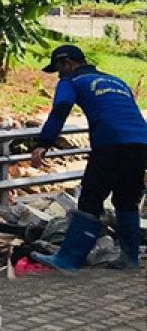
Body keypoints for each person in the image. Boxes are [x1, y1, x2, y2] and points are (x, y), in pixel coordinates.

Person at [30, 44, 147, 271]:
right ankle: (129, 258)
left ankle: (68, 260)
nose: (59, 74)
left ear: (66, 63)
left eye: (58, 68)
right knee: (126, 200)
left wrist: (43, 143)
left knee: (90, 201)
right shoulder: (117, 81)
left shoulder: (71, 81)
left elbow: (60, 109)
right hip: (141, 144)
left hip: (111, 144)